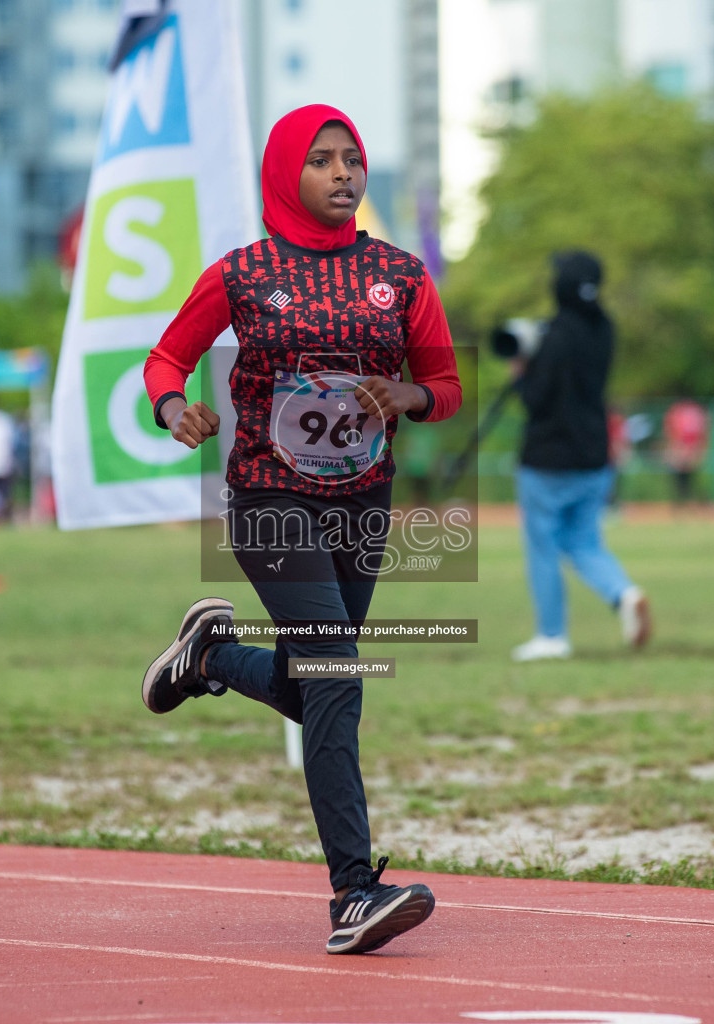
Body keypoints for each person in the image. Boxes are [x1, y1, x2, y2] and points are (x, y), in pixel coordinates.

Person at [140, 105, 460, 955]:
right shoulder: (243, 274)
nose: (342, 173)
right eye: (321, 161)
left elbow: (446, 383)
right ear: (287, 173)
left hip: (364, 503)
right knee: (337, 679)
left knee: (316, 682)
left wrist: (410, 398)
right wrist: (174, 406)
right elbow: (166, 356)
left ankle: (209, 658)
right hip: (268, 502)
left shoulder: (403, 275)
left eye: (351, 158)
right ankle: (354, 893)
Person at [511, 251, 650, 662]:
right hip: (594, 453)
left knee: (543, 546)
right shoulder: (604, 328)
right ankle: (624, 593)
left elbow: (537, 399)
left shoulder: (553, 336)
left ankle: (552, 634)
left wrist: (521, 370)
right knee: (584, 539)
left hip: (547, 458)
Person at [663, 397, 709, 507]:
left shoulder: (678, 412)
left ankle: (691, 502)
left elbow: (671, 433)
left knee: (688, 479)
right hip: (685, 450)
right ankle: (684, 502)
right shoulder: (695, 412)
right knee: (684, 479)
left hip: (685, 450)